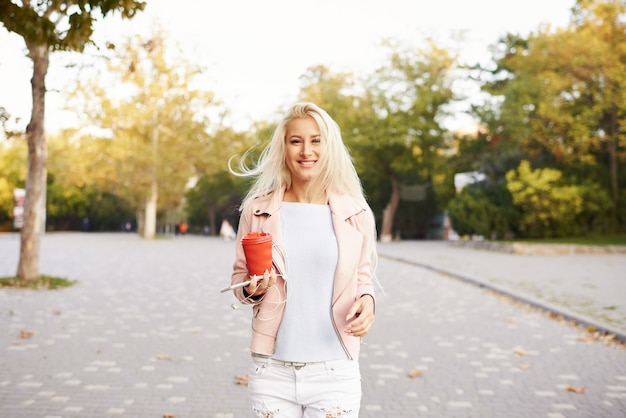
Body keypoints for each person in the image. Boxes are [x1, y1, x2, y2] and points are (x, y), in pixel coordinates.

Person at [229, 102, 379, 417]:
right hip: (272, 372)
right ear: (283, 148)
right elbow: (240, 279)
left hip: (335, 371)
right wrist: (253, 289)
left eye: (316, 140)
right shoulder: (256, 211)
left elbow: (362, 278)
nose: (305, 150)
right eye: (296, 140)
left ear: (329, 147)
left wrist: (368, 302)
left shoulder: (357, 213)